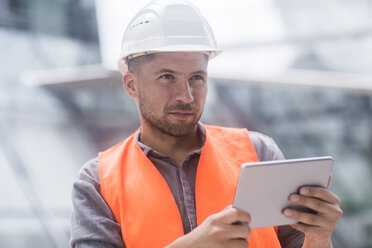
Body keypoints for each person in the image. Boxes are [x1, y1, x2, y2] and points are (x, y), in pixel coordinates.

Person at [70, 0, 342, 247]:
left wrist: (319, 238)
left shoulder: (258, 152)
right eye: (167, 77)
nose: (186, 96)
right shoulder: (97, 182)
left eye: (197, 78)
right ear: (131, 85)